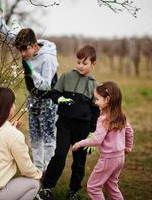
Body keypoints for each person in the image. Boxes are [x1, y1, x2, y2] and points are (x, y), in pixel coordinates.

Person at [0, 1, 58, 173]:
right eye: (20, 50)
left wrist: (31, 71)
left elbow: (45, 84)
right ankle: (38, 170)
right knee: (35, 135)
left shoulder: (48, 59)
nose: (22, 54)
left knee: (48, 137)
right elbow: (4, 32)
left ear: (34, 46)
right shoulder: (24, 43)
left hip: (49, 100)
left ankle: (49, 170)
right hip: (33, 98)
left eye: (25, 50)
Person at [39, 45, 100, 200]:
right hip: (64, 124)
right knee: (59, 155)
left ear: (93, 64)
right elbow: (53, 94)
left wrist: (93, 132)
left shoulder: (94, 84)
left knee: (79, 161)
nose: (80, 66)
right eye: (78, 62)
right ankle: (46, 187)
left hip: (83, 128)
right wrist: (58, 98)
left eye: (85, 63)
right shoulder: (67, 76)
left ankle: (73, 191)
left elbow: (95, 111)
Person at [72, 81, 134, 200]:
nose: (95, 102)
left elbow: (97, 140)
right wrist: (128, 147)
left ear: (107, 100)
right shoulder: (120, 116)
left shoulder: (104, 119)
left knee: (93, 187)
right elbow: (130, 131)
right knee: (112, 186)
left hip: (108, 159)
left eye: (97, 99)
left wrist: (80, 143)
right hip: (120, 158)